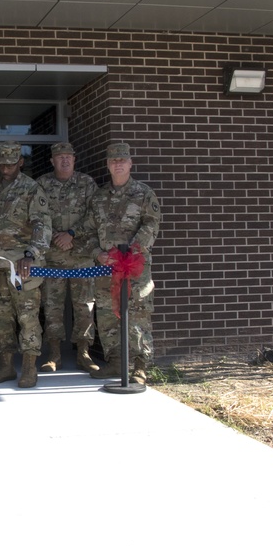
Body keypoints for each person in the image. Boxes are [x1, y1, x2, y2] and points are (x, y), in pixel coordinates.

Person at [84, 142, 161, 385]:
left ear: (130, 163)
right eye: (113, 160)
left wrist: (131, 251)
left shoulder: (143, 193)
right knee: (107, 315)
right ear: (108, 165)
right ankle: (115, 362)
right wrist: (97, 253)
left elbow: (151, 224)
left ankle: (140, 367)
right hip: (106, 268)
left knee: (137, 314)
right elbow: (87, 232)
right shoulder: (98, 197)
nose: (118, 164)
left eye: (122, 160)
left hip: (134, 267)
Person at [0, 142, 51, 388]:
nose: (6, 167)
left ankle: (30, 368)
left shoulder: (32, 189)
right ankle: (6, 367)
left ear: (20, 162)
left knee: (27, 317)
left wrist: (31, 254)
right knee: (0, 318)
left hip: (24, 268)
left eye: (11, 163)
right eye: (2, 163)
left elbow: (42, 225)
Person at [36, 142, 99, 373]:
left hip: (82, 256)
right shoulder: (41, 184)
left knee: (85, 307)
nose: (64, 160)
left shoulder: (87, 183)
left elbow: (95, 215)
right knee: (52, 307)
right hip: (53, 257)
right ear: (52, 160)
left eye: (68, 157)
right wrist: (55, 236)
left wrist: (71, 234)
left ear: (74, 159)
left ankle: (84, 353)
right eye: (59, 157)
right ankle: (54, 354)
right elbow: (37, 216)